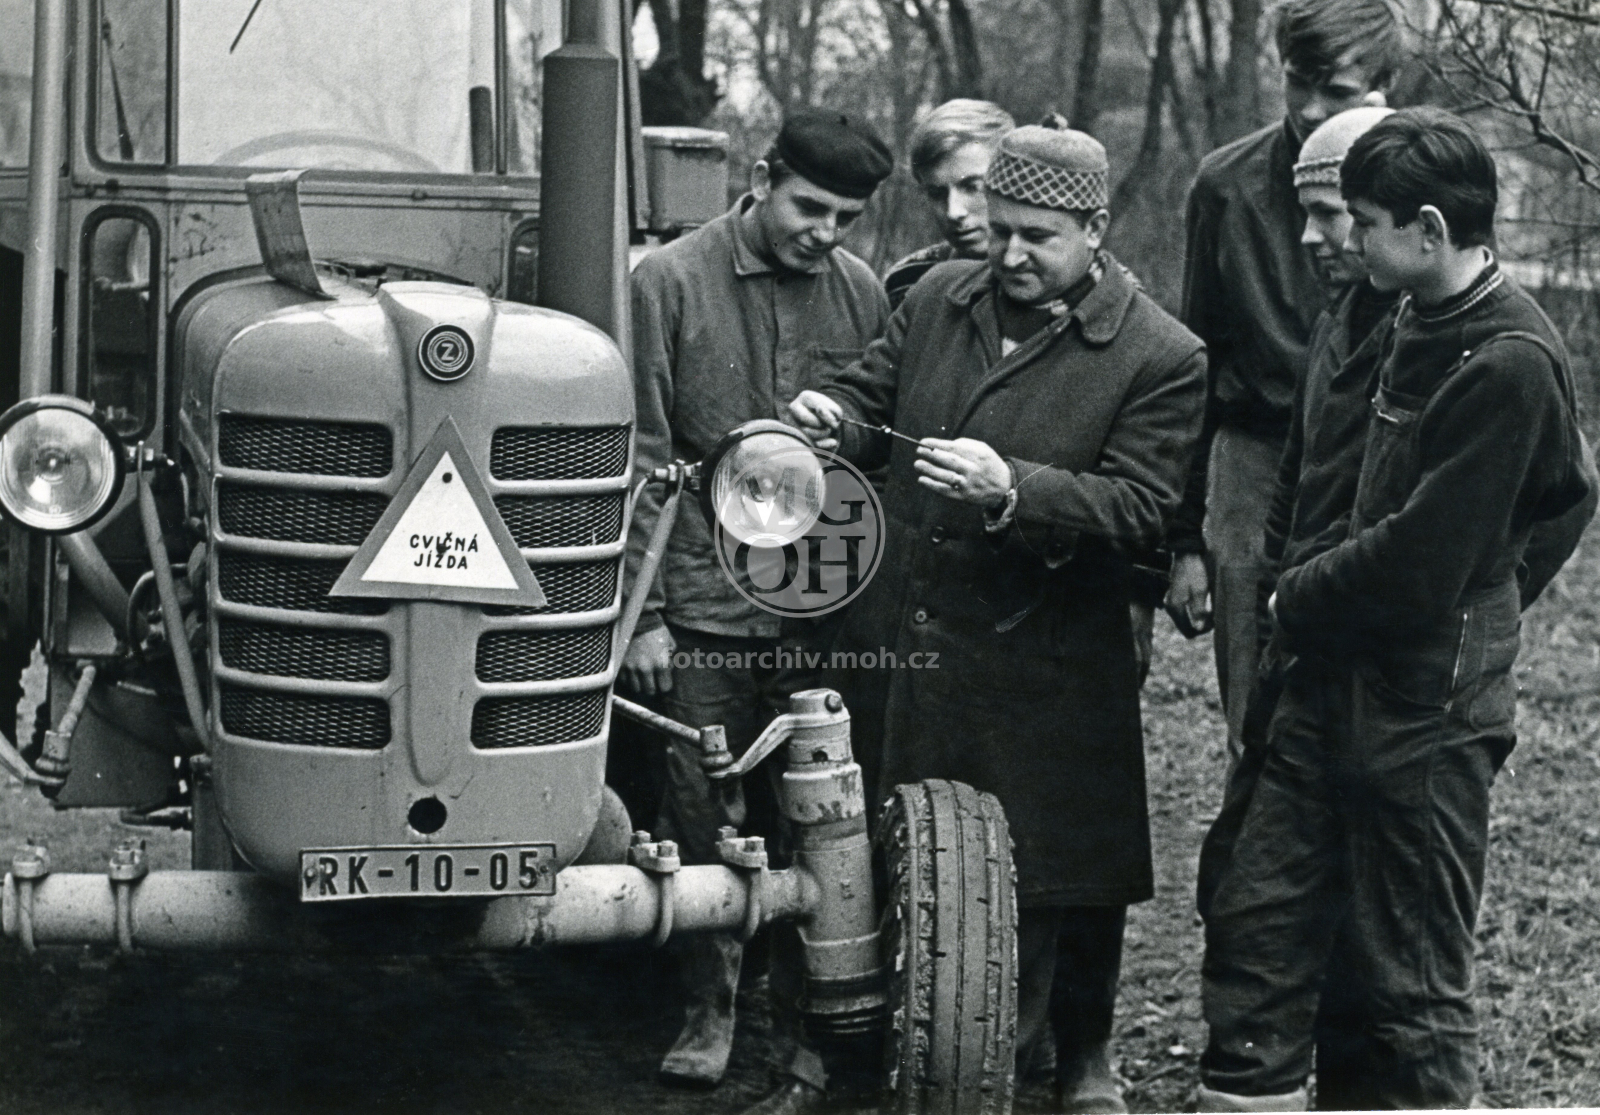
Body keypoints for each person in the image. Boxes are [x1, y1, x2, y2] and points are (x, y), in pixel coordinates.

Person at [789, 122, 1205, 1113]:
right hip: (912, 633)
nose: (1009, 253)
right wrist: (831, 416)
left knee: (1037, 882)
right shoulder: (941, 295)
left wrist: (1013, 488)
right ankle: (892, 1061)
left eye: (1038, 237)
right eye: (1001, 229)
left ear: (1095, 230)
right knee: (897, 862)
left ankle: (1033, 1066)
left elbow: (1143, 507)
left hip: (1044, 657)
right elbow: (872, 397)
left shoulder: (1159, 353)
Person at [1196, 107, 1595, 1111]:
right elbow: (1329, 487)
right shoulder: (1403, 311)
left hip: (1422, 716)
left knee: (1408, 985)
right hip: (1322, 681)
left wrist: (1303, 592)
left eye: (1360, 221)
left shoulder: (1510, 361)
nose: (1339, 240)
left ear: (1427, 228)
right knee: (1255, 926)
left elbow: (1424, 563)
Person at [623, 109, 893, 1113]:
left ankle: (807, 1028)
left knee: (816, 814)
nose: (825, 232)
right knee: (701, 803)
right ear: (764, 177)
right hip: (699, 604)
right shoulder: (668, 281)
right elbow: (641, 455)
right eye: (809, 207)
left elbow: (874, 444)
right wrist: (644, 616)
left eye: (846, 218)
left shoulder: (861, 291)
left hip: (817, 609)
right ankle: (708, 1007)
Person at [1164, 0, 1402, 767]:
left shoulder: (1417, 183)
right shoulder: (1225, 185)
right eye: (1298, 82)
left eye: (1337, 91)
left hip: (1375, 456)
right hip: (1255, 455)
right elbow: (1197, 359)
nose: (1310, 109)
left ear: (1382, 87)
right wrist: (1183, 537)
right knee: (1255, 696)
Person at [883, 99, 1015, 308]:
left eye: (972, 187)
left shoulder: (1045, 281)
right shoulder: (906, 281)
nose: (954, 212)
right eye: (936, 194)